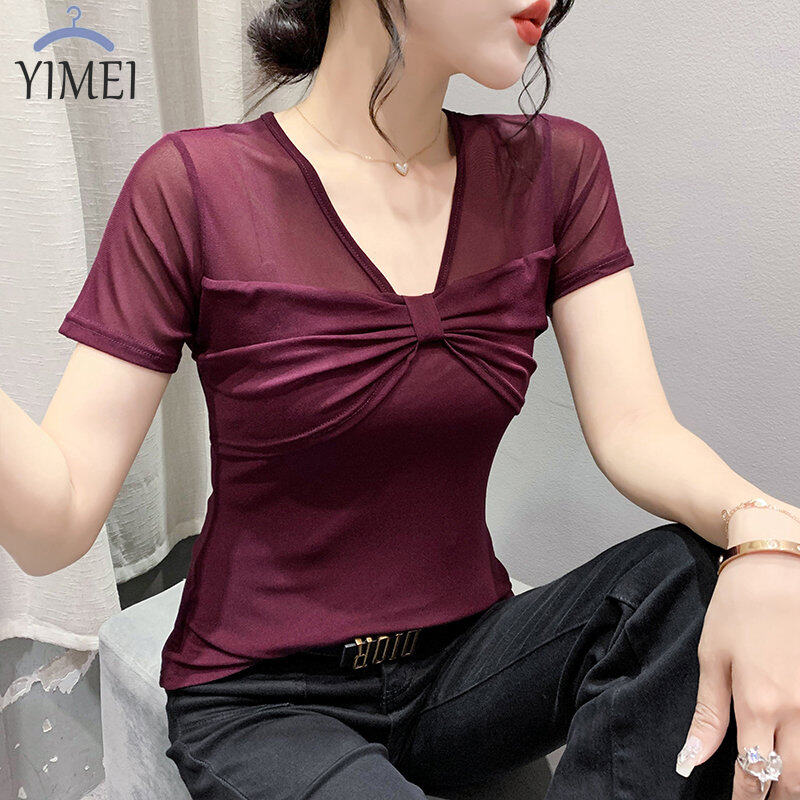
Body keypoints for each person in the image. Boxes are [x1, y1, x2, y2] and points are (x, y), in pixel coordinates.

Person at [2, 0, 798, 797]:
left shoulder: (557, 167)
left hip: (468, 666)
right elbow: (56, 526)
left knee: (689, 578)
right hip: (265, 697)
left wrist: (763, 534)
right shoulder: (193, 185)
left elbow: (635, 427)